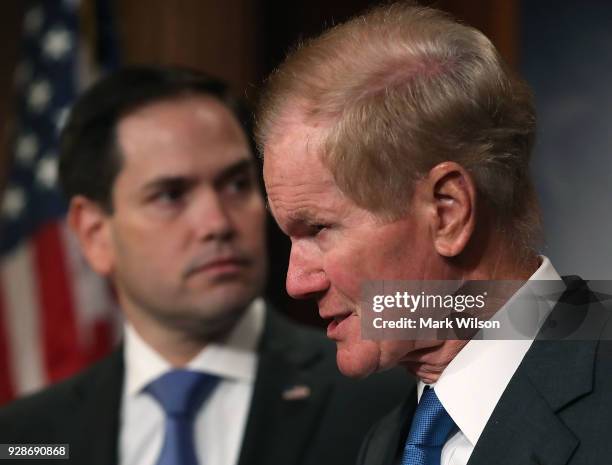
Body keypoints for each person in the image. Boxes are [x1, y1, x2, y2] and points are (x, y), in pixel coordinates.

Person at [0, 66, 411, 465]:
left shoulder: (390, 394)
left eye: (236, 184)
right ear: (94, 234)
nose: (217, 222)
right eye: (171, 195)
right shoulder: (23, 438)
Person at [258, 3, 612, 465]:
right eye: (290, 238)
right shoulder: (384, 443)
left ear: (448, 212)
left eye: (320, 229)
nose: (296, 281)